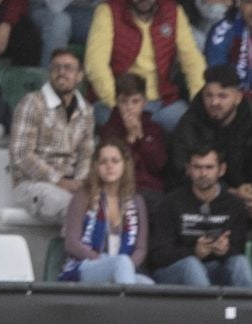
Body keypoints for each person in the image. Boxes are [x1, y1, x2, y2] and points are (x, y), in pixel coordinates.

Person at [167, 66, 252, 218]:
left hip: (243, 196)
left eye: (222, 96)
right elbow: (181, 170)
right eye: (209, 95)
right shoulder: (190, 123)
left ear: (238, 98)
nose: (214, 102)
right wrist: (229, 192)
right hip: (197, 195)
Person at [86, 0, 206, 132]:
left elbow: (193, 62)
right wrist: (119, 106)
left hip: (161, 102)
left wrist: (200, 102)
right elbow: (96, 64)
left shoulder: (173, 11)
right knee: (120, 128)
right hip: (116, 101)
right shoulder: (108, 10)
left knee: (194, 127)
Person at [147, 142, 252, 285]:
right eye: (197, 167)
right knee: (191, 265)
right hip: (175, 272)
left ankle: (247, 307)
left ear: (221, 170)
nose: (203, 173)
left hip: (215, 269)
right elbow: (158, 254)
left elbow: (238, 249)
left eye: (209, 167)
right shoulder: (170, 203)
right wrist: (193, 251)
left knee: (240, 263)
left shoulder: (234, 205)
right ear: (188, 169)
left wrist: (225, 250)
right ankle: (207, 308)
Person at [9, 49, 96, 222]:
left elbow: (86, 155)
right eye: (56, 67)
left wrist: (79, 182)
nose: (61, 72)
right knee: (76, 210)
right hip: (33, 184)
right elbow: (21, 155)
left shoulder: (86, 110)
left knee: (108, 208)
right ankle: (74, 250)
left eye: (68, 68)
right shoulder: (32, 103)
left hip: (71, 184)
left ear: (80, 76)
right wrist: (58, 181)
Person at [58, 138, 152, 282]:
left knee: (148, 285)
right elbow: (72, 244)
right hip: (85, 267)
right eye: (103, 162)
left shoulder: (137, 202)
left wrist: (125, 266)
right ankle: (124, 303)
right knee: (120, 263)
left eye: (115, 161)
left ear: (125, 165)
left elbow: (141, 248)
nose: (109, 166)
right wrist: (105, 261)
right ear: (96, 166)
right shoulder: (83, 197)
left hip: (122, 269)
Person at [101, 72, 168, 196]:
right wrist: (130, 139)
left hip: (150, 190)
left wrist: (141, 137)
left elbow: (159, 166)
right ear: (117, 102)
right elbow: (113, 168)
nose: (129, 107)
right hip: (119, 190)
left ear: (144, 102)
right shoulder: (109, 130)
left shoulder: (154, 129)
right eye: (124, 102)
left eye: (135, 101)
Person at [33, 0, 98, 69]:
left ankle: (101, 77)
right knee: (60, 22)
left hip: (83, 10)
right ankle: (51, 77)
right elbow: (54, 7)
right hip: (46, 7)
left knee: (104, 21)